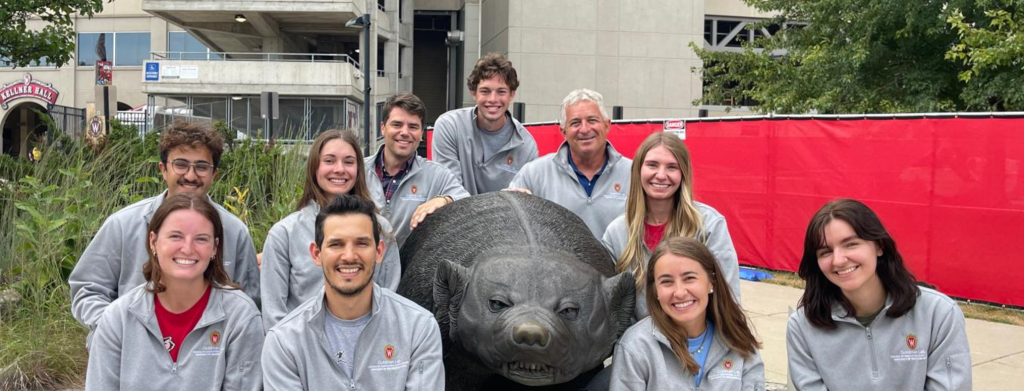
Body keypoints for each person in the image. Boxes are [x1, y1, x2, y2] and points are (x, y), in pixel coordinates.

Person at [70, 121, 260, 341]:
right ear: (163, 169)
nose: (190, 175)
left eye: (201, 166)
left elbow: (250, 300)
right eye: (180, 164)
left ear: (214, 174)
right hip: (130, 354)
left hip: (208, 354)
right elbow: (88, 289)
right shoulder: (123, 225)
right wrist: (118, 331)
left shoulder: (235, 232)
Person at [261, 195, 445, 390]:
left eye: (361, 243)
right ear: (317, 254)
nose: (349, 256)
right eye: (336, 244)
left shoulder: (418, 328)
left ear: (379, 251)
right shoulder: (284, 341)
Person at [787, 199, 972, 391]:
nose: (839, 260)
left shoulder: (938, 314)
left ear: (879, 246)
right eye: (825, 252)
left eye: (851, 244)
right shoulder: (802, 326)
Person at [85, 193, 263, 391]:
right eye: (176, 236)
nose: (187, 249)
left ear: (215, 247)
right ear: (153, 241)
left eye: (201, 239)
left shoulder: (240, 317)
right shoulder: (118, 318)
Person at [260, 129, 402, 330]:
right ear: (314, 167)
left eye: (349, 162)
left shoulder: (381, 230)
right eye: (329, 160)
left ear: (359, 170)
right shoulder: (284, 234)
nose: (340, 169)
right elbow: (274, 316)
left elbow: (390, 301)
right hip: (302, 352)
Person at [602, 132, 740, 320]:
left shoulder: (709, 225)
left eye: (672, 167)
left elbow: (729, 300)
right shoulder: (616, 234)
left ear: (683, 173)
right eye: (652, 165)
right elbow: (612, 308)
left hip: (697, 342)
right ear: (638, 170)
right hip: (639, 345)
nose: (661, 175)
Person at [609, 237, 763, 390]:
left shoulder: (739, 340)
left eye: (689, 278)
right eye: (667, 281)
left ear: (711, 282)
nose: (680, 293)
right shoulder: (635, 346)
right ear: (655, 290)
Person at [508, 88, 632, 239]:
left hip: (618, 263)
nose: (585, 129)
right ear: (563, 131)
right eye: (575, 123)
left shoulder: (633, 174)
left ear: (607, 125)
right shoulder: (534, 174)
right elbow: (509, 223)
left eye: (592, 120)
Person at [365, 93, 469, 246]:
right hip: (361, 267)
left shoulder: (437, 175)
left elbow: (467, 202)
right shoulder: (357, 170)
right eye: (397, 124)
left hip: (412, 269)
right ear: (383, 128)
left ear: (421, 134)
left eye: (413, 127)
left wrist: (443, 200)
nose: (405, 132)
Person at [432, 53, 538, 194]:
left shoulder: (527, 145)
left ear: (511, 94)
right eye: (485, 91)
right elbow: (448, 188)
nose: (493, 99)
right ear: (473, 92)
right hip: (457, 214)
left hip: (504, 215)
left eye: (501, 91)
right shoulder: (449, 126)